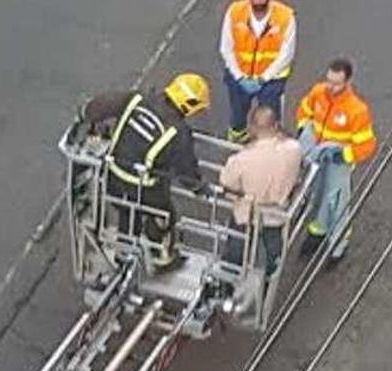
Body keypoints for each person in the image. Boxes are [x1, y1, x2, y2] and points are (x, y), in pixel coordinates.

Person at [75, 73, 210, 270]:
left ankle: (124, 254)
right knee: (164, 215)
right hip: (143, 188)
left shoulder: (139, 99)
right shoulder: (178, 133)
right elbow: (186, 169)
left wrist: (85, 112)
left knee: (127, 214)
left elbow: (105, 103)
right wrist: (200, 188)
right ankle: (161, 258)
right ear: (189, 105)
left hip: (112, 175)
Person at [295, 58, 377, 262]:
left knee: (336, 202)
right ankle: (318, 231)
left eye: (336, 83)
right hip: (317, 156)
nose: (330, 87)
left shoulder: (357, 110)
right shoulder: (318, 92)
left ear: (348, 82)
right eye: (329, 80)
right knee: (317, 194)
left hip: (338, 163)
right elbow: (304, 111)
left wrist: (343, 155)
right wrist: (303, 130)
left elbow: (365, 145)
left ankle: (338, 244)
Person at [220, 106, 302, 276]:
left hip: (247, 212)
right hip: (276, 212)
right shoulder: (294, 149)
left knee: (236, 247)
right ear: (275, 125)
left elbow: (227, 183)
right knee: (273, 245)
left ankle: (228, 278)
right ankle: (270, 277)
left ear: (252, 127)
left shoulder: (241, 159)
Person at [220, 0, 297, 143]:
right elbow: (226, 48)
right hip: (239, 77)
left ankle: (269, 145)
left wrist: (263, 78)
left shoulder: (285, 16)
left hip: (271, 81)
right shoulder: (235, 12)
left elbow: (286, 54)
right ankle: (236, 138)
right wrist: (239, 77)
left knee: (269, 117)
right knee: (237, 114)